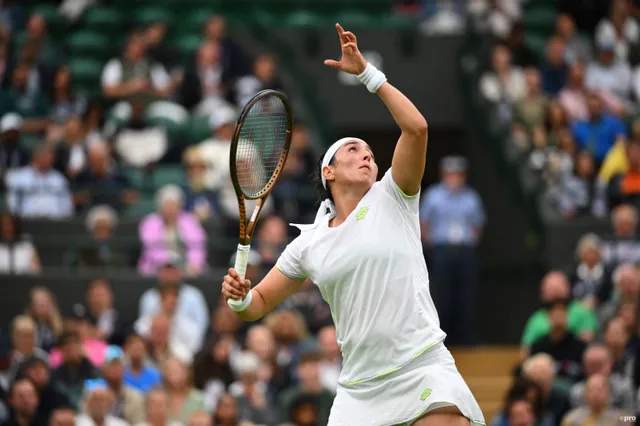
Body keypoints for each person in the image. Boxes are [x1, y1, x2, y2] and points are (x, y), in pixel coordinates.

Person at [221, 24, 484, 426]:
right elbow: (255, 305)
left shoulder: (394, 195)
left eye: (371, 154)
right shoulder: (308, 245)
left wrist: (368, 75)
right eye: (353, 149)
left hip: (421, 367)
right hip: (359, 390)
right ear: (328, 170)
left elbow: (416, 128)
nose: (367, 156)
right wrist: (240, 299)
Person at [420, 156, 485, 345]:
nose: (455, 178)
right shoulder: (433, 196)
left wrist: (471, 242)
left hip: (465, 251)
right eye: (451, 174)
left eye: (458, 174)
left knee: (467, 294)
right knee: (442, 294)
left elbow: (478, 225)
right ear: (444, 175)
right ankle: (442, 338)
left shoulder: (471, 197)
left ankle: (467, 339)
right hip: (441, 250)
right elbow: (424, 223)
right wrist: (431, 244)